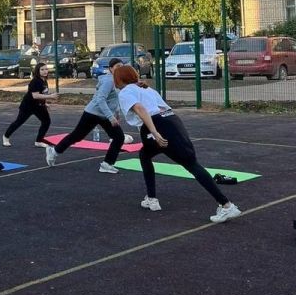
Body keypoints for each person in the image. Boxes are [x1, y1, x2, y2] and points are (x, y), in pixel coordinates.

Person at [112, 64, 242, 223]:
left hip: (158, 126)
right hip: (172, 121)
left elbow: (140, 109)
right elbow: (160, 108)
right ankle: (151, 198)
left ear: (119, 79)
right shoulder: (146, 89)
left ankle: (226, 205)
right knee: (146, 154)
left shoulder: (126, 92)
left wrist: (154, 132)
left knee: (190, 164)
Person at [45, 57, 133, 173]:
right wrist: (110, 117)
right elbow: (101, 100)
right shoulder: (109, 81)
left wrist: (116, 113)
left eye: (122, 67)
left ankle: (107, 164)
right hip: (93, 113)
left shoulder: (118, 81)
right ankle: (54, 151)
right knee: (77, 136)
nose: (120, 69)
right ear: (111, 69)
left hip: (104, 114)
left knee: (118, 137)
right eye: (117, 67)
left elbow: (114, 99)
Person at [3, 62, 57, 148]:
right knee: (19, 122)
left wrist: (45, 103)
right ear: (37, 71)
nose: (45, 71)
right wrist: (50, 96)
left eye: (46, 69)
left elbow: (42, 93)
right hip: (28, 106)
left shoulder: (44, 81)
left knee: (46, 121)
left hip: (38, 106)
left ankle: (39, 141)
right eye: (42, 69)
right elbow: (35, 95)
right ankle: (6, 137)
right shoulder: (35, 81)